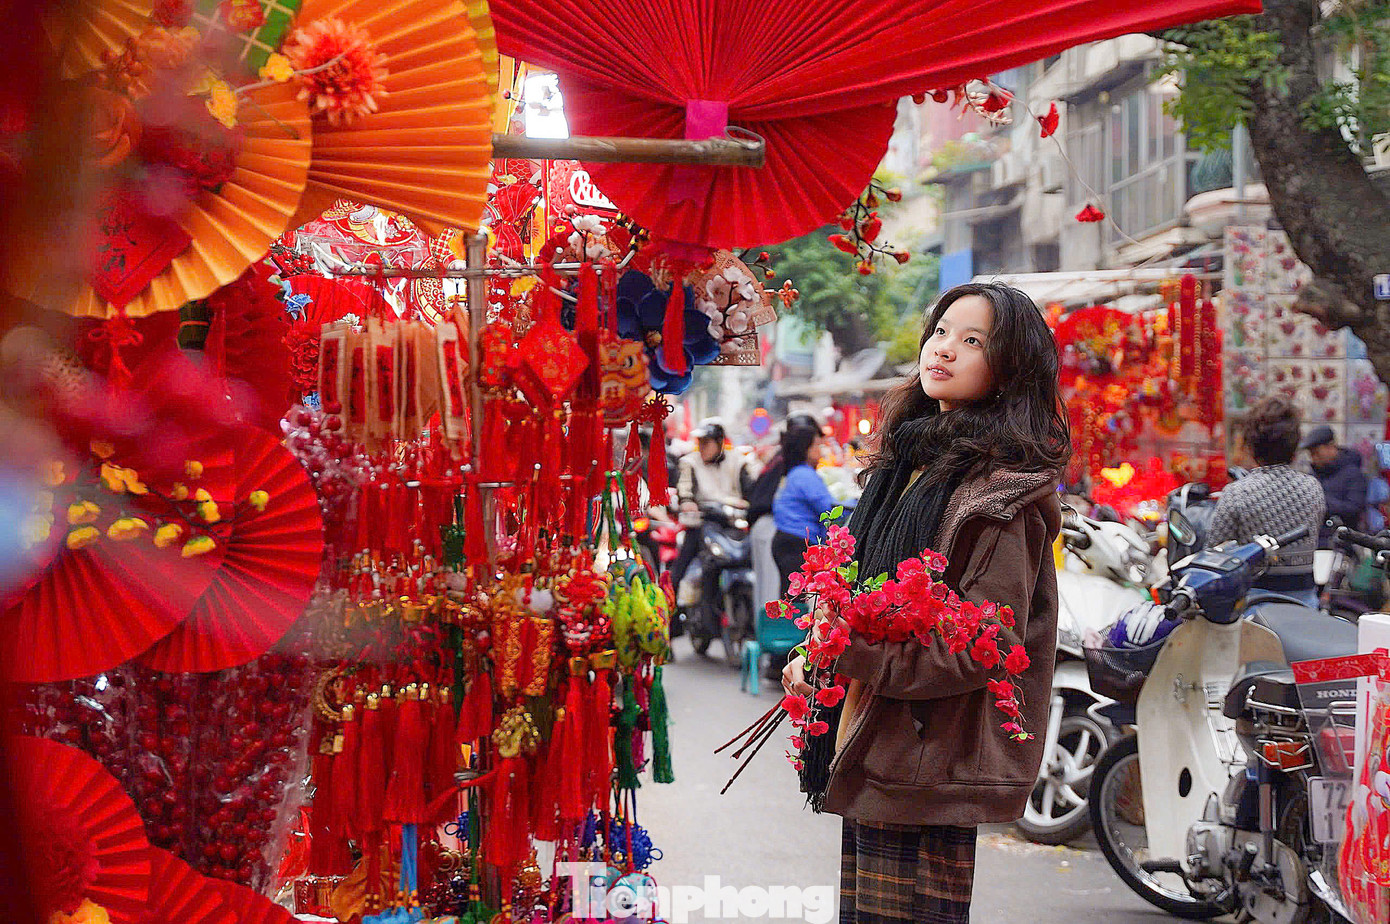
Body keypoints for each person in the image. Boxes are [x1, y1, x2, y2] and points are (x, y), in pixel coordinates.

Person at [782, 283, 1070, 924]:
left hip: (928, 757)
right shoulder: (905, 459)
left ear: (1009, 371)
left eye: (973, 342)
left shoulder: (1001, 494)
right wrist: (819, 653)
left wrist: (845, 649)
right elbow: (858, 592)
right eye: (941, 331)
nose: (944, 350)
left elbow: (977, 649)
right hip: (880, 741)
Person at [1206, 396, 1324, 606]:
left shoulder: (1237, 492)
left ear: (1251, 447)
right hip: (1305, 602)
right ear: (1294, 448)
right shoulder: (1312, 487)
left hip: (1253, 605)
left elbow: (1214, 552)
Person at [668, 420, 751, 591]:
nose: (702, 448)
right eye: (700, 443)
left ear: (720, 443)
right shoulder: (689, 462)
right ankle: (671, 607)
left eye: (707, 443)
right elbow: (684, 489)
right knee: (679, 570)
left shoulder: (738, 461)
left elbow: (750, 489)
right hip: (703, 523)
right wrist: (687, 502)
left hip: (733, 525)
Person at [770, 420, 838, 594]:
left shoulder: (794, 473)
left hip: (786, 540)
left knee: (790, 595)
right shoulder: (804, 475)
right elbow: (828, 508)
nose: (820, 450)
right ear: (805, 448)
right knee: (798, 598)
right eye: (816, 445)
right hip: (797, 544)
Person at [1301, 424, 1369, 546]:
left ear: (1330, 448)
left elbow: (1354, 508)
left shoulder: (1353, 475)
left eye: (1316, 453)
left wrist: (1322, 502)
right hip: (1315, 543)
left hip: (1344, 543)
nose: (1313, 458)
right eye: (1311, 454)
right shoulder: (1313, 476)